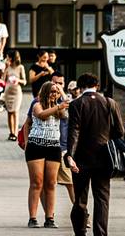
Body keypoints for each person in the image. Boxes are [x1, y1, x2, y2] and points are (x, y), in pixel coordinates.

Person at [65, 72, 123, 236]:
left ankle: (80, 231)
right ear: (97, 86)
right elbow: (119, 131)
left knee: (80, 199)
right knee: (102, 199)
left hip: (81, 159)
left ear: (80, 87)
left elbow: (74, 131)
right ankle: (100, 233)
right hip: (104, 159)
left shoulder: (76, 104)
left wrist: (70, 155)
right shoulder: (109, 102)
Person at [23, 80, 70, 228]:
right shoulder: (37, 104)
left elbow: (65, 114)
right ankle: (33, 217)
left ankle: (50, 218)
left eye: (56, 92)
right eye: (52, 92)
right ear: (45, 92)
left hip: (53, 146)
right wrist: (25, 142)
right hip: (36, 146)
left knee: (51, 183)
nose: (54, 94)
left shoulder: (58, 107)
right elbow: (41, 115)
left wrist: (61, 94)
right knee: (37, 183)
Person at [52, 73, 76, 207]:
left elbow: (69, 108)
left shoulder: (68, 101)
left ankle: (82, 213)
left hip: (63, 148)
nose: (57, 86)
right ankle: (50, 215)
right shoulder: (42, 101)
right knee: (48, 183)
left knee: (70, 182)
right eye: (54, 83)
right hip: (48, 147)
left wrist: (61, 93)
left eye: (60, 83)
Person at [4, 51, 28, 141]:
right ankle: (11, 133)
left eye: (8, 57)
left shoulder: (20, 67)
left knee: (15, 111)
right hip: (8, 92)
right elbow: (3, 79)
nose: (7, 59)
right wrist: (5, 68)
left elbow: (24, 81)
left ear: (12, 58)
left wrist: (18, 80)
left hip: (17, 92)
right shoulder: (8, 68)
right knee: (9, 112)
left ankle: (16, 132)